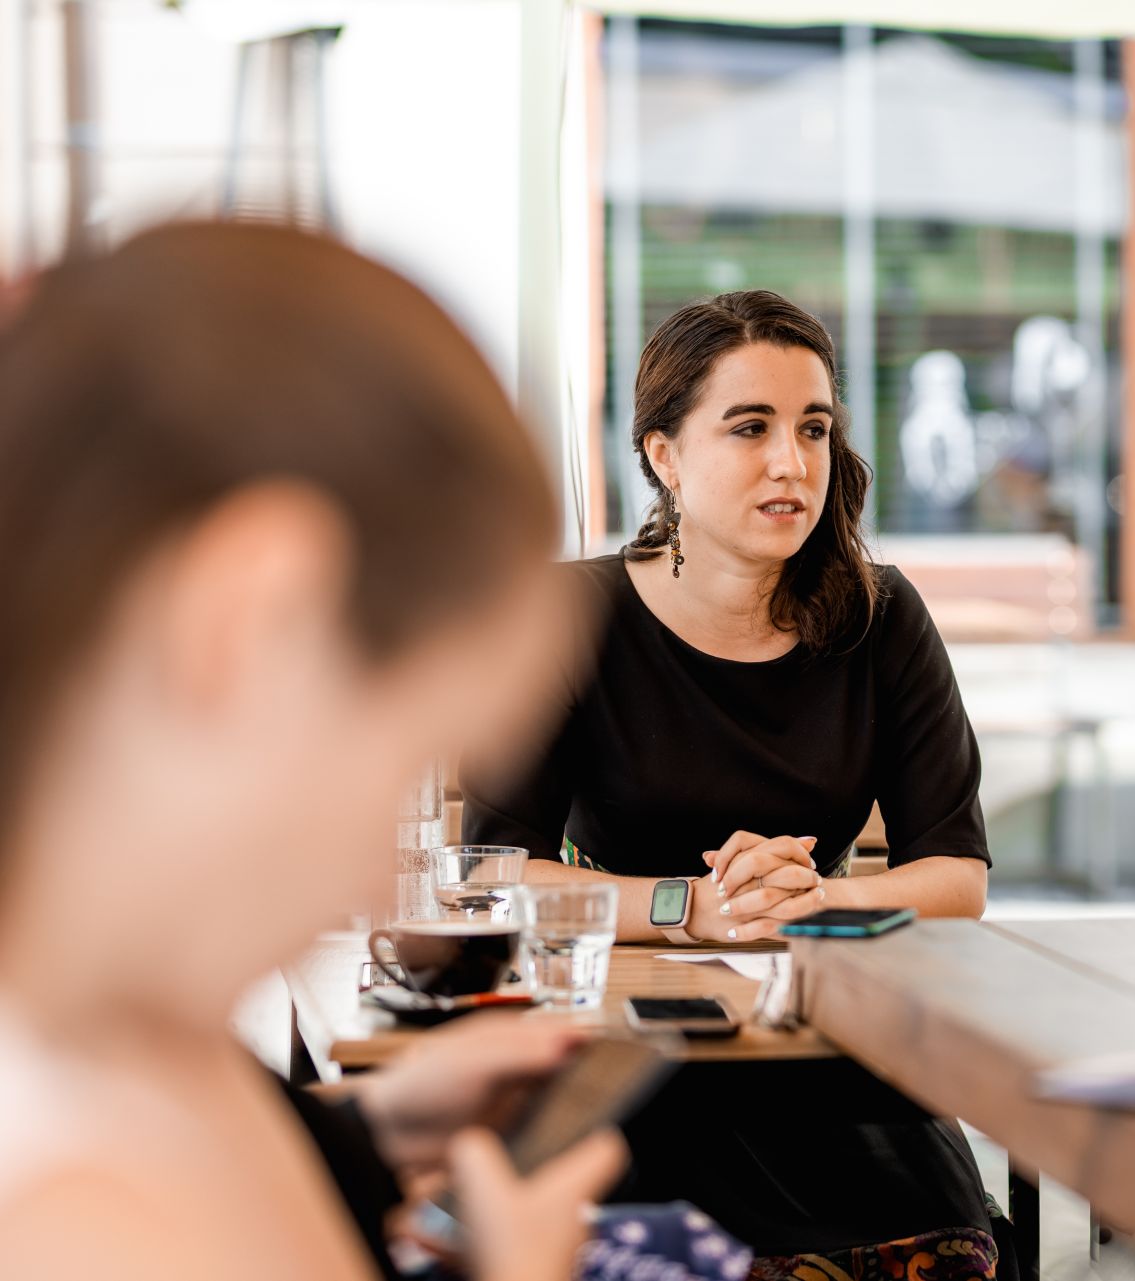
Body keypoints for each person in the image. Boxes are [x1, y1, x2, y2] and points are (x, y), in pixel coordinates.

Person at [0, 222, 626, 1280]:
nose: (387, 890)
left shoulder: (139, 1039)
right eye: (408, 762)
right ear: (249, 617)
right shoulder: (76, 1219)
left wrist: (365, 1129)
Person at [460, 290, 1002, 1272]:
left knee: (945, 1251)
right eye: (749, 428)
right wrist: (691, 905)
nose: (792, 463)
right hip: (631, 1060)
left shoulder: (884, 621)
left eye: (814, 429)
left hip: (833, 1053)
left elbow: (955, 879)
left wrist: (821, 898)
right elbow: (495, 876)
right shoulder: (568, 616)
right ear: (664, 454)